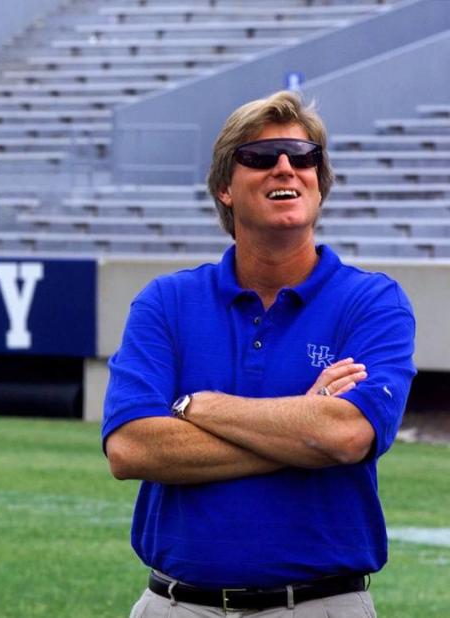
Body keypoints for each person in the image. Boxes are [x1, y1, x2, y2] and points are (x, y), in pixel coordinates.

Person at [102, 90, 416, 617]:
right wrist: (303, 423)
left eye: (303, 157)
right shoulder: (166, 302)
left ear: (320, 183)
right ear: (225, 187)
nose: (286, 168)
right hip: (176, 605)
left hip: (322, 605)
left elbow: (346, 435)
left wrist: (196, 406)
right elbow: (131, 449)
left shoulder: (373, 302)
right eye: (261, 158)